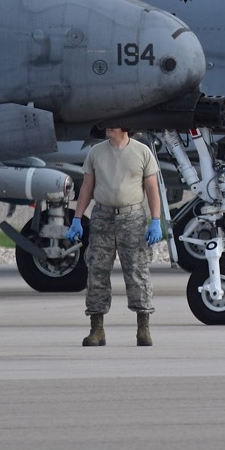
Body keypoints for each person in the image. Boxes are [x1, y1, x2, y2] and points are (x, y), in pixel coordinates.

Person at [65, 126, 164, 346]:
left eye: (112, 125)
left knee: (138, 272)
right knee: (96, 272)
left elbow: (152, 189)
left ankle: (143, 329)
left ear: (124, 128)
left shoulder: (142, 152)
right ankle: (97, 330)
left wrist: (155, 220)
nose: (107, 128)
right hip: (102, 217)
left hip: (132, 218)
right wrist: (77, 218)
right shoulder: (96, 153)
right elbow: (87, 188)